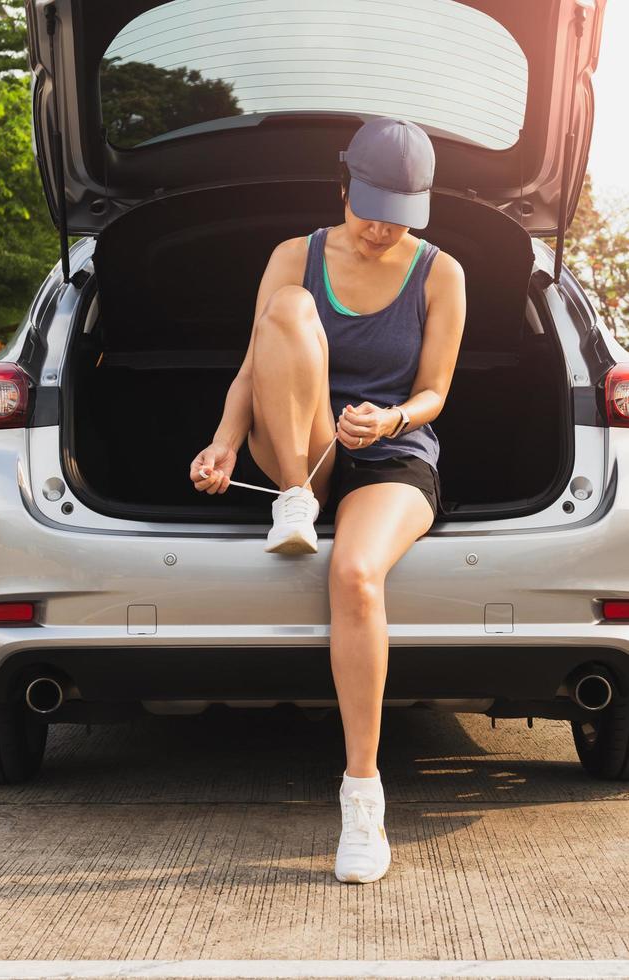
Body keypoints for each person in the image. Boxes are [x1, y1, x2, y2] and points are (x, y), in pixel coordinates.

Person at [189, 116, 466, 884]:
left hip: (393, 454)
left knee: (353, 576)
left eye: (400, 213)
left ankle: (363, 802)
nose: (382, 227)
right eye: (370, 206)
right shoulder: (295, 255)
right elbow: (255, 367)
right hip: (302, 453)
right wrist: (221, 442)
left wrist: (392, 418)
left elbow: (436, 390)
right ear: (343, 186)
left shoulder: (442, 272)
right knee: (287, 312)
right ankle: (293, 502)